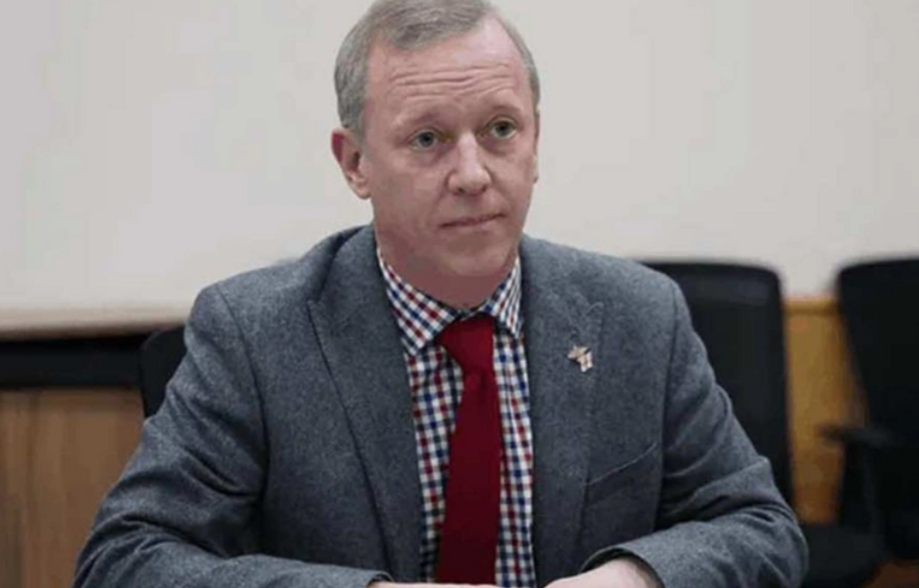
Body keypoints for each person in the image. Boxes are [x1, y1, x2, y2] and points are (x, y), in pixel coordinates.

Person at [73, 1, 808, 587]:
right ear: (355, 162)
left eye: (500, 130)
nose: (472, 174)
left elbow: (760, 526)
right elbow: (126, 558)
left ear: (535, 142)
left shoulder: (636, 316)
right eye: (427, 139)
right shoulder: (256, 334)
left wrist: (635, 577)